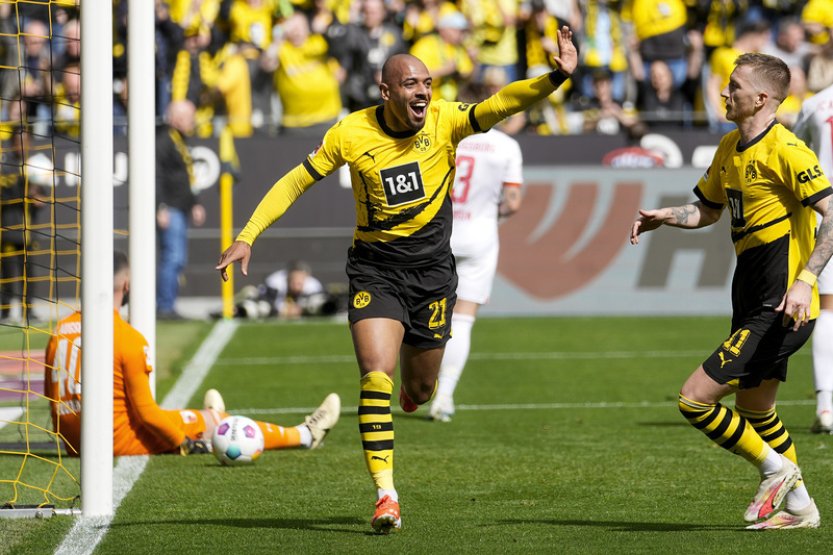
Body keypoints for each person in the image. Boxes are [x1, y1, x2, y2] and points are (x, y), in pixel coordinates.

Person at [216, 27, 577, 533]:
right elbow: (297, 180)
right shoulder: (350, 133)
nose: (423, 92)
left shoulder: (447, 119)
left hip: (432, 274)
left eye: (427, 83)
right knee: (374, 376)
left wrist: (555, 77)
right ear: (385, 92)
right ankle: (387, 495)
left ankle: (415, 392)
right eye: (411, 84)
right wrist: (249, 234)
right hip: (375, 270)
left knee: (420, 388)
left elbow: (500, 104)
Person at [630, 53, 833, 530]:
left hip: (783, 301)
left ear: (761, 98)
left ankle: (775, 470)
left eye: (735, 86)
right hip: (750, 294)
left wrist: (806, 281)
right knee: (755, 408)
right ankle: (802, 508)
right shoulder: (728, 147)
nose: (725, 92)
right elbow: (709, 210)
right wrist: (668, 217)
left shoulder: (788, 149)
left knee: (694, 399)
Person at [43, 251, 342, 457]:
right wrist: (182, 443)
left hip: (73, 443)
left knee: (192, 417)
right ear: (126, 284)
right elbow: (146, 414)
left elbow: (53, 406)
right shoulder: (127, 337)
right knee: (222, 425)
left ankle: (208, 417)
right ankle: (304, 435)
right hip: (117, 441)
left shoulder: (59, 331)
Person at [428, 102, 524, 423]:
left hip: (438, 233)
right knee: (464, 319)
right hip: (479, 236)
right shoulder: (507, 146)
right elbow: (512, 203)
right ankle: (444, 397)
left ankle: (418, 384)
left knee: (422, 311)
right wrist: (489, 214)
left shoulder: (446, 135)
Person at [792, 82, 833, 433]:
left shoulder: (816, 104)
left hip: (825, 211)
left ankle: (825, 405)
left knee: (830, 307)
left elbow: (794, 148)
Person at [156, 100, 205, 320]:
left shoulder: (180, 140)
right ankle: (164, 307)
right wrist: (161, 206)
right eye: (188, 117)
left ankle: (169, 304)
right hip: (171, 208)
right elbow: (156, 175)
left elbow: (185, 176)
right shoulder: (164, 140)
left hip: (180, 207)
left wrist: (194, 202)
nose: (192, 122)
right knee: (172, 257)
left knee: (178, 259)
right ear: (175, 118)